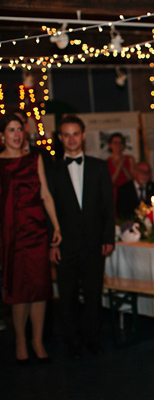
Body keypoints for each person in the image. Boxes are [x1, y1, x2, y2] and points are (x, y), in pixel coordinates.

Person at [49, 115, 115, 358]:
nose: (71, 139)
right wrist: (51, 243)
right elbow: (49, 210)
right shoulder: (53, 170)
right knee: (66, 295)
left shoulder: (99, 167)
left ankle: (92, 337)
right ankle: (71, 339)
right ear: (60, 138)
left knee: (92, 292)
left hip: (94, 243)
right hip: (64, 244)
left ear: (83, 135)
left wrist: (108, 238)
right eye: (66, 134)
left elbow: (108, 205)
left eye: (75, 133)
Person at [0, 114, 61, 364]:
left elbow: (45, 193)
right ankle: (21, 341)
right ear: (2, 136)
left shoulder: (35, 158)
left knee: (39, 287)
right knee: (18, 291)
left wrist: (56, 226)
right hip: (10, 232)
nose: (16, 134)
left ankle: (37, 340)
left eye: (19, 130)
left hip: (36, 230)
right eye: (11, 130)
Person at [106, 132, 135, 200]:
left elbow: (132, 180)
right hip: (114, 195)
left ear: (123, 145)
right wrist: (119, 167)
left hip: (128, 193)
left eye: (120, 143)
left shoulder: (130, 159)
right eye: (115, 143)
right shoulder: (106, 163)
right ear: (110, 145)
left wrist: (123, 167)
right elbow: (110, 183)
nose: (118, 145)